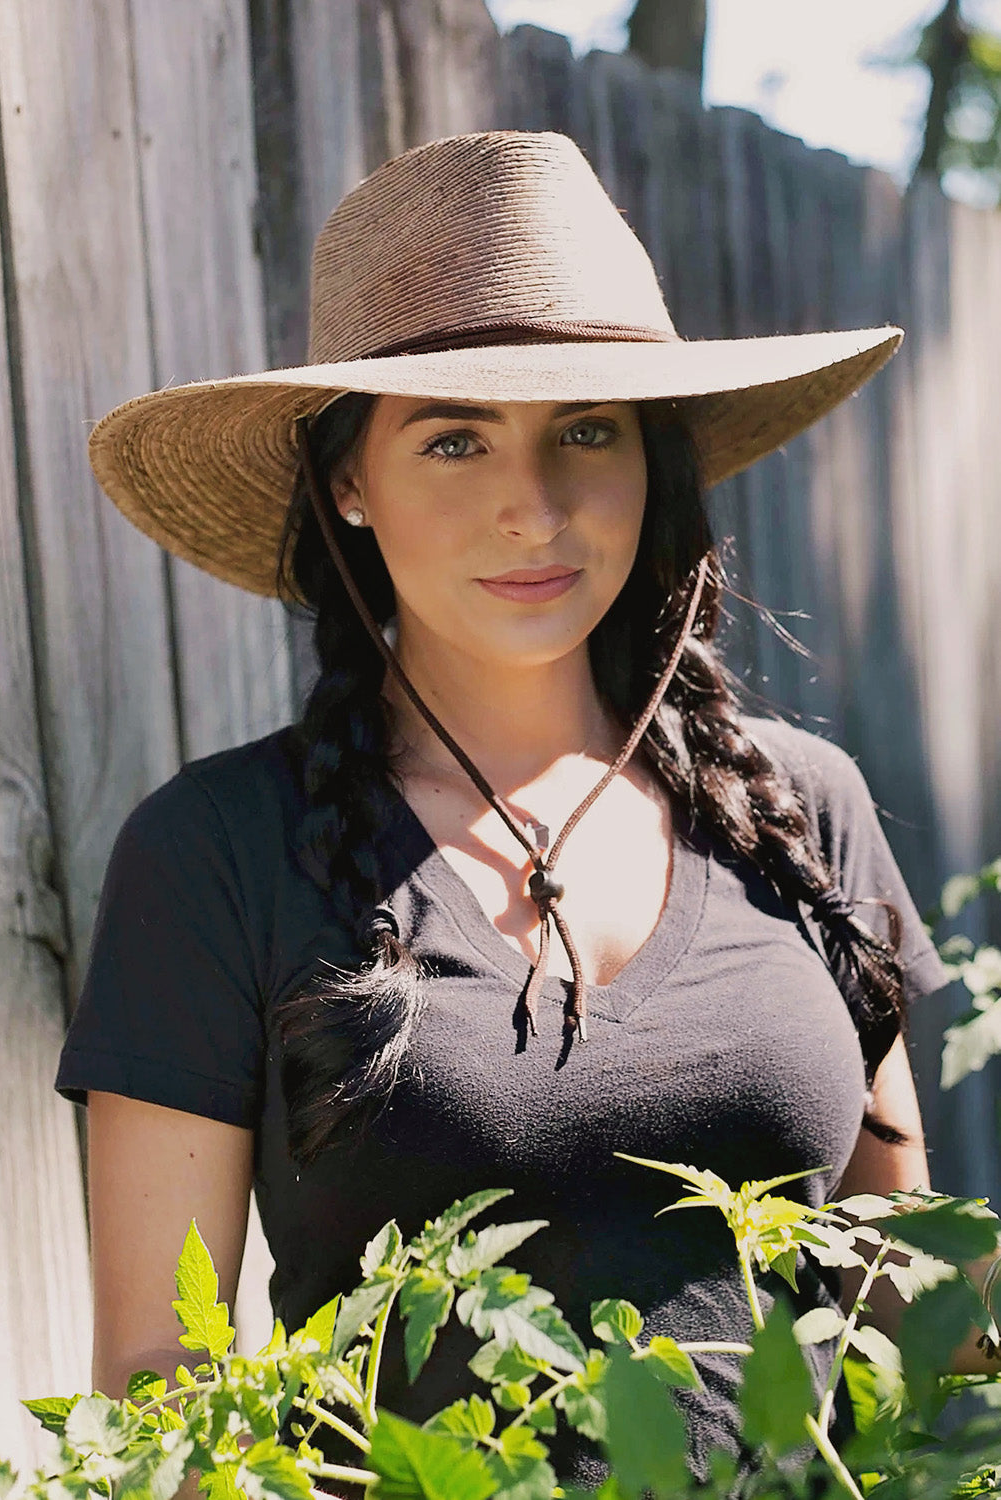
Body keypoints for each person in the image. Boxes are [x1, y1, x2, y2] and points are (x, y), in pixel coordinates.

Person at [56, 130, 972, 1488]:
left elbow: (912, 1293)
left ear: (651, 461)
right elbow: (161, 1388)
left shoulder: (800, 811)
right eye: (454, 440)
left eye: (585, 432)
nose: (530, 509)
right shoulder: (216, 855)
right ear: (348, 483)